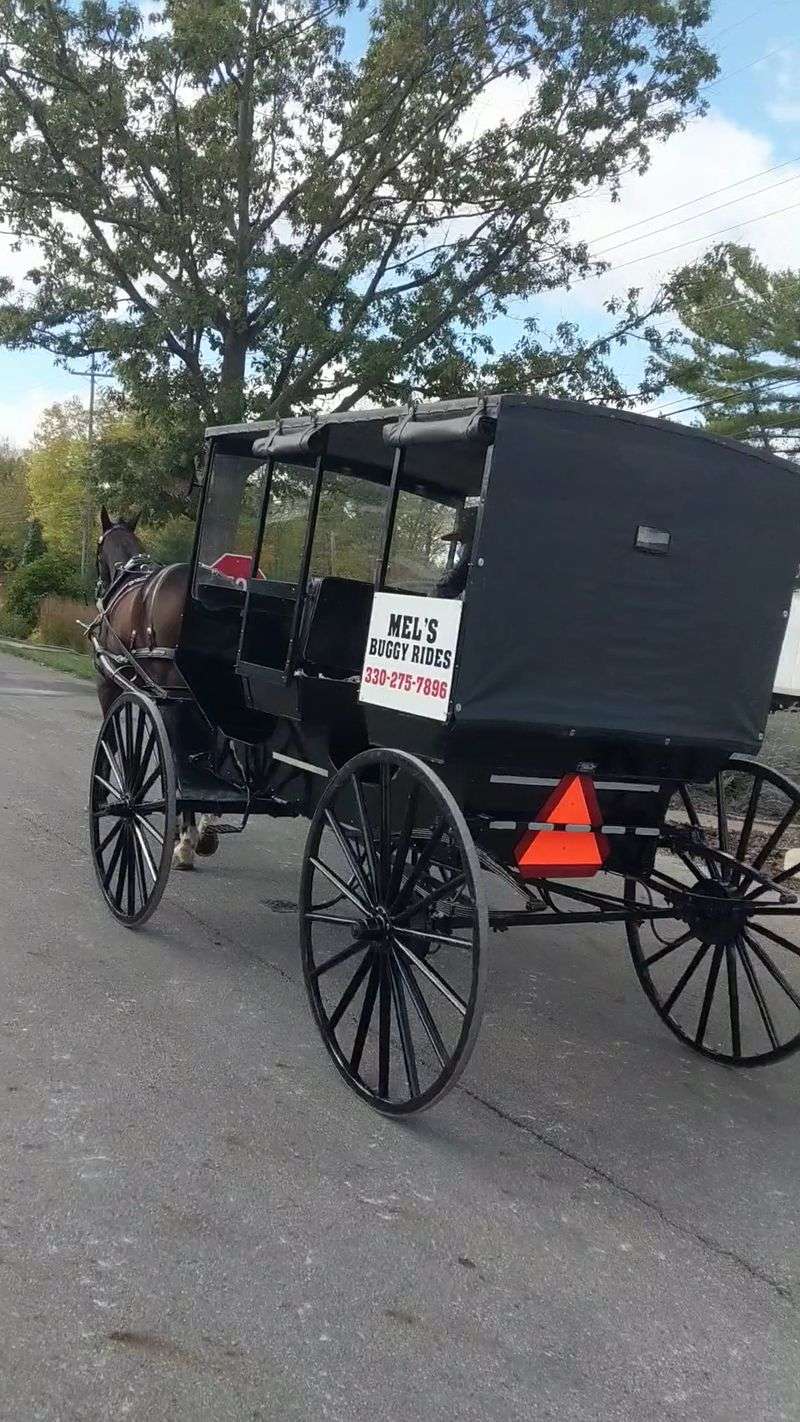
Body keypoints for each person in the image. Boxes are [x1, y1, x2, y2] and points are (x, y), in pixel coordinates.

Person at [436, 499, 478, 598]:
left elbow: (452, 584)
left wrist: (441, 587)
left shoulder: (470, 551)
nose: (459, 543)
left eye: (461, 538)